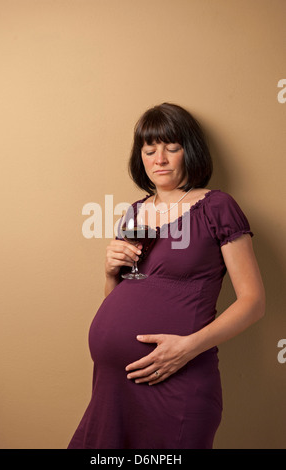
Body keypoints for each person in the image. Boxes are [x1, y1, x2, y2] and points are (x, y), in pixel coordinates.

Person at [67, 103, 265, 449]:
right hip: (113, 387)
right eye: (150, 150)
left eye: (172, 148)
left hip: (179, 380)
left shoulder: (217, 206)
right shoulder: (134, 212)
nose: (160, 159)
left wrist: (187, 348)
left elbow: (253, 302)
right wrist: (111, 272)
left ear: (191, 152)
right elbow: (119, 301)